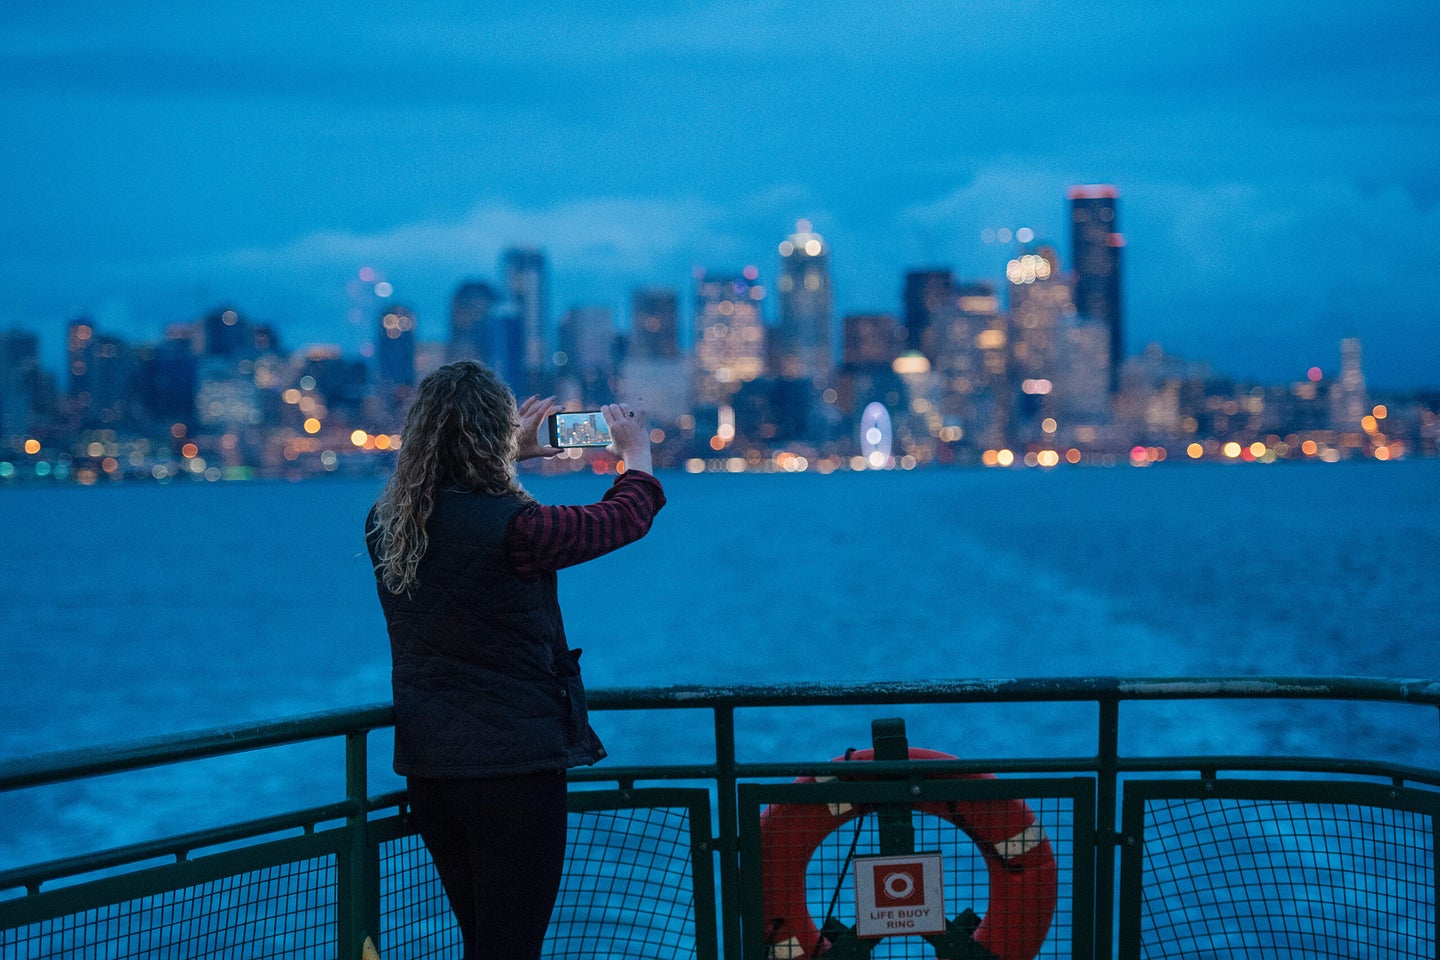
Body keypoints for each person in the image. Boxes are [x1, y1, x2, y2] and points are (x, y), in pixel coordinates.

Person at [365, 360, 665, 960]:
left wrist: (509, 457)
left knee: (486, 943)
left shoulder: (386, 525)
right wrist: (637, 454)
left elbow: (459, 508)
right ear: (491, 433)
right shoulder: (518, 529)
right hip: (513, 772)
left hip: (432, 770)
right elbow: (622, 518)